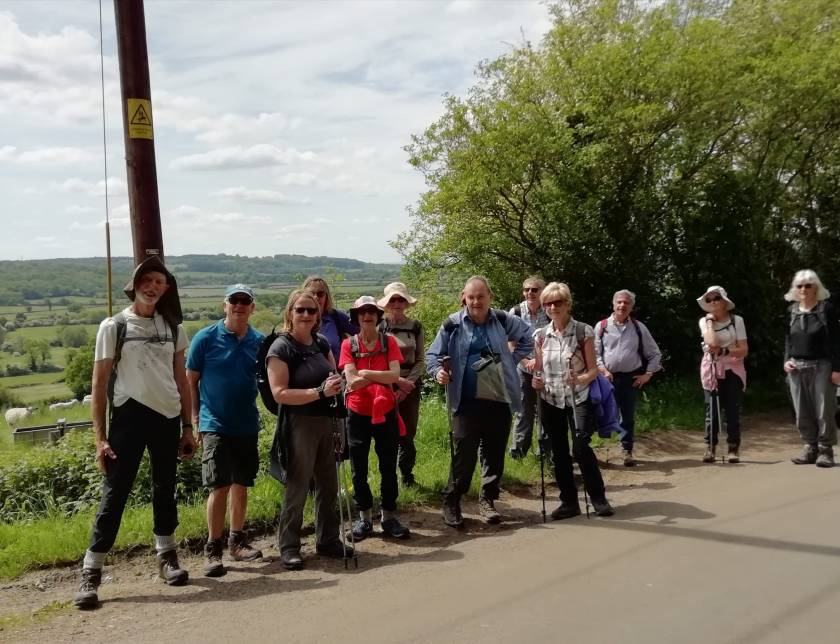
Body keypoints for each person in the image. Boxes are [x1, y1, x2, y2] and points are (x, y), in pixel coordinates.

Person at [74, 256, 196, 610]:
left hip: (167, 416)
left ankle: (167, 557)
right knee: (115, 493)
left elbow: (182, 381)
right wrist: (100, 437)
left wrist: (188, 426)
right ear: (134, 284)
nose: (152, 286)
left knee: (165, 488)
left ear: (166, 289)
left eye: (159, 281)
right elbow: (99, 385)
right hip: (128, 417)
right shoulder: (113, 326)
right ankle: (91, 571)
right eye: (147, 279)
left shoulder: (174, 328)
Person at [426, 276, 534, 527]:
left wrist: (510, 360)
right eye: (471, 297)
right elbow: (433, 355)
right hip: (465, 401)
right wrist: (438, 372)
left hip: (498, 398)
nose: (476, 301)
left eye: (481, 296)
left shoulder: (504, 320)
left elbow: (528, 337)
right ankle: (452, 501)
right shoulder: (452, 324)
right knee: (464, 454)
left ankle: (488, 500)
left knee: (494, 453)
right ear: (464, 298)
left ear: (490, 297)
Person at [266, 289, 351, 569]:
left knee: (329, 484)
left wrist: (337, 385)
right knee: (298, 485)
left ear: (318, 315)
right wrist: (318, 392)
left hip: (327, 420)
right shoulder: (281, 348)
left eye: (311, 310)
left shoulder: (321, 342)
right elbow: (279, 393)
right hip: (298, 423)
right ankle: (289, 546)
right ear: (290, 313)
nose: (305, 315)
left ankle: (328, 539)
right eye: (300, 310)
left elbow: (333, 375)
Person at [186, 284, 265, 578]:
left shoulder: (259, 342)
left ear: (252, 308)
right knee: (219, 485)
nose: (239, 305)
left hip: (246, 422)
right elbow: (190, 380)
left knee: (241, 483)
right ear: (225, 305)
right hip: (214, 422)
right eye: (235, 300)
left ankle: (236, 541)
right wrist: (194, 418)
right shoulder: (205, 338)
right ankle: (213, 548)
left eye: (245, 301)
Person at [532, 282, 614, 520]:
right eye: (548, 303)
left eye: (557, 302)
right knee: (559, 452)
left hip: (578, 396)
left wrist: (579, 378)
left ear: (567, 303)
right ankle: (569, 502)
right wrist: (536, 380)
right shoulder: (540, 336)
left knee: (580, 447)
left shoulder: (582, 331)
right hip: (550, 398)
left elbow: (593, 370)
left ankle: (598, 499)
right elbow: (538, 369)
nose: (552, 307)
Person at [339, 295, 410, 540]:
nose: (367, 316)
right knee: (358, 467)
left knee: (388, 465)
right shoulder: (348, 345)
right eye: (362, 312)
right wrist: (381, 375)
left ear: (378, 316)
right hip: (357, 412)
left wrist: (366, 372)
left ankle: (388, 518)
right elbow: (351, 382)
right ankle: (365, 519)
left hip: (386, 410)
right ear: (356, 317)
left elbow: (394, 376)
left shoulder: (388, 342)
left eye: (371, 311)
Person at [594, 289, 662, 466]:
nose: (622, 305)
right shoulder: (601, 326)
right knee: (598, 413)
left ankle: (626, 450)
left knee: (627, 416)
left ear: (632, 307)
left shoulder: (639, 328)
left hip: (629, 378)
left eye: (626, 303)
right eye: (619, 302)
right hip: (605, 378)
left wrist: (648, 374)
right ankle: (591, 451)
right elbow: (594, 353)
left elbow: (655, 353)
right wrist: (603, 370)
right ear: (613, 304)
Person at [783, 270, 840, 467]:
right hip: (796, 367)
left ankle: (826, 450)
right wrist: (786, 360)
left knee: (824, 410)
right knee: (801, 411)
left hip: (822, 365)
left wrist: (837, 369)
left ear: (816, 288)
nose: (803, 289)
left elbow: (836, 340)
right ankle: (810, 447)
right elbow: (788, 339)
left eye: (808, 285)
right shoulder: (791, 311)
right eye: (799, 286)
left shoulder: (827, 309)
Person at [378, 282, 426, 488]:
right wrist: (397, 382)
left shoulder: (416, 326)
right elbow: (378, 360)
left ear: (406, 303)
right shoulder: (381, 327)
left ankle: (406, 475)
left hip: (411, 386)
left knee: (408, 432)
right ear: (387, 304)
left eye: (401, 299)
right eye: (393, 300)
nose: (397, 303)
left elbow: (420, 359)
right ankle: (388, 478)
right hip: (387, 384)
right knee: (387, 432)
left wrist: (408, 384)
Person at [697, 285, 748, 463]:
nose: (712, 302)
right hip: (711, 369)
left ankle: (733, 448)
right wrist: (710, 323)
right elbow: (711, 343)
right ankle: (710, 447)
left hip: (733, 369)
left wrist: (725, 351)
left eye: (716, 298)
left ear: (725, 301)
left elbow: (744, 350)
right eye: (709, 299)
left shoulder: (737, 320)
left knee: (732, 410)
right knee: (711, 410)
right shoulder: (704, 322)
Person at [508, 276, 550, 460]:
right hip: (523, 368)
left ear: (542, 292)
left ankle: (545, 454)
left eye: (534, 289)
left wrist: (539, 362)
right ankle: (518, 454)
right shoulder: (516, 312)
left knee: (546, 411)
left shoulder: (549, 310)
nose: (530, 293)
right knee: (523, 411)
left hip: (547, 369)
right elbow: (511, 343)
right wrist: (526, 362)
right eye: (527, 289)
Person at [303, 275, 359, 362]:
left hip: (337, 370)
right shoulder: (300, 319)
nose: (316, 297)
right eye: (311, 294)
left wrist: (352, 354)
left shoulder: (336, 317)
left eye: (320, 294)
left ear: (326, 296)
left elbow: (363, 332)